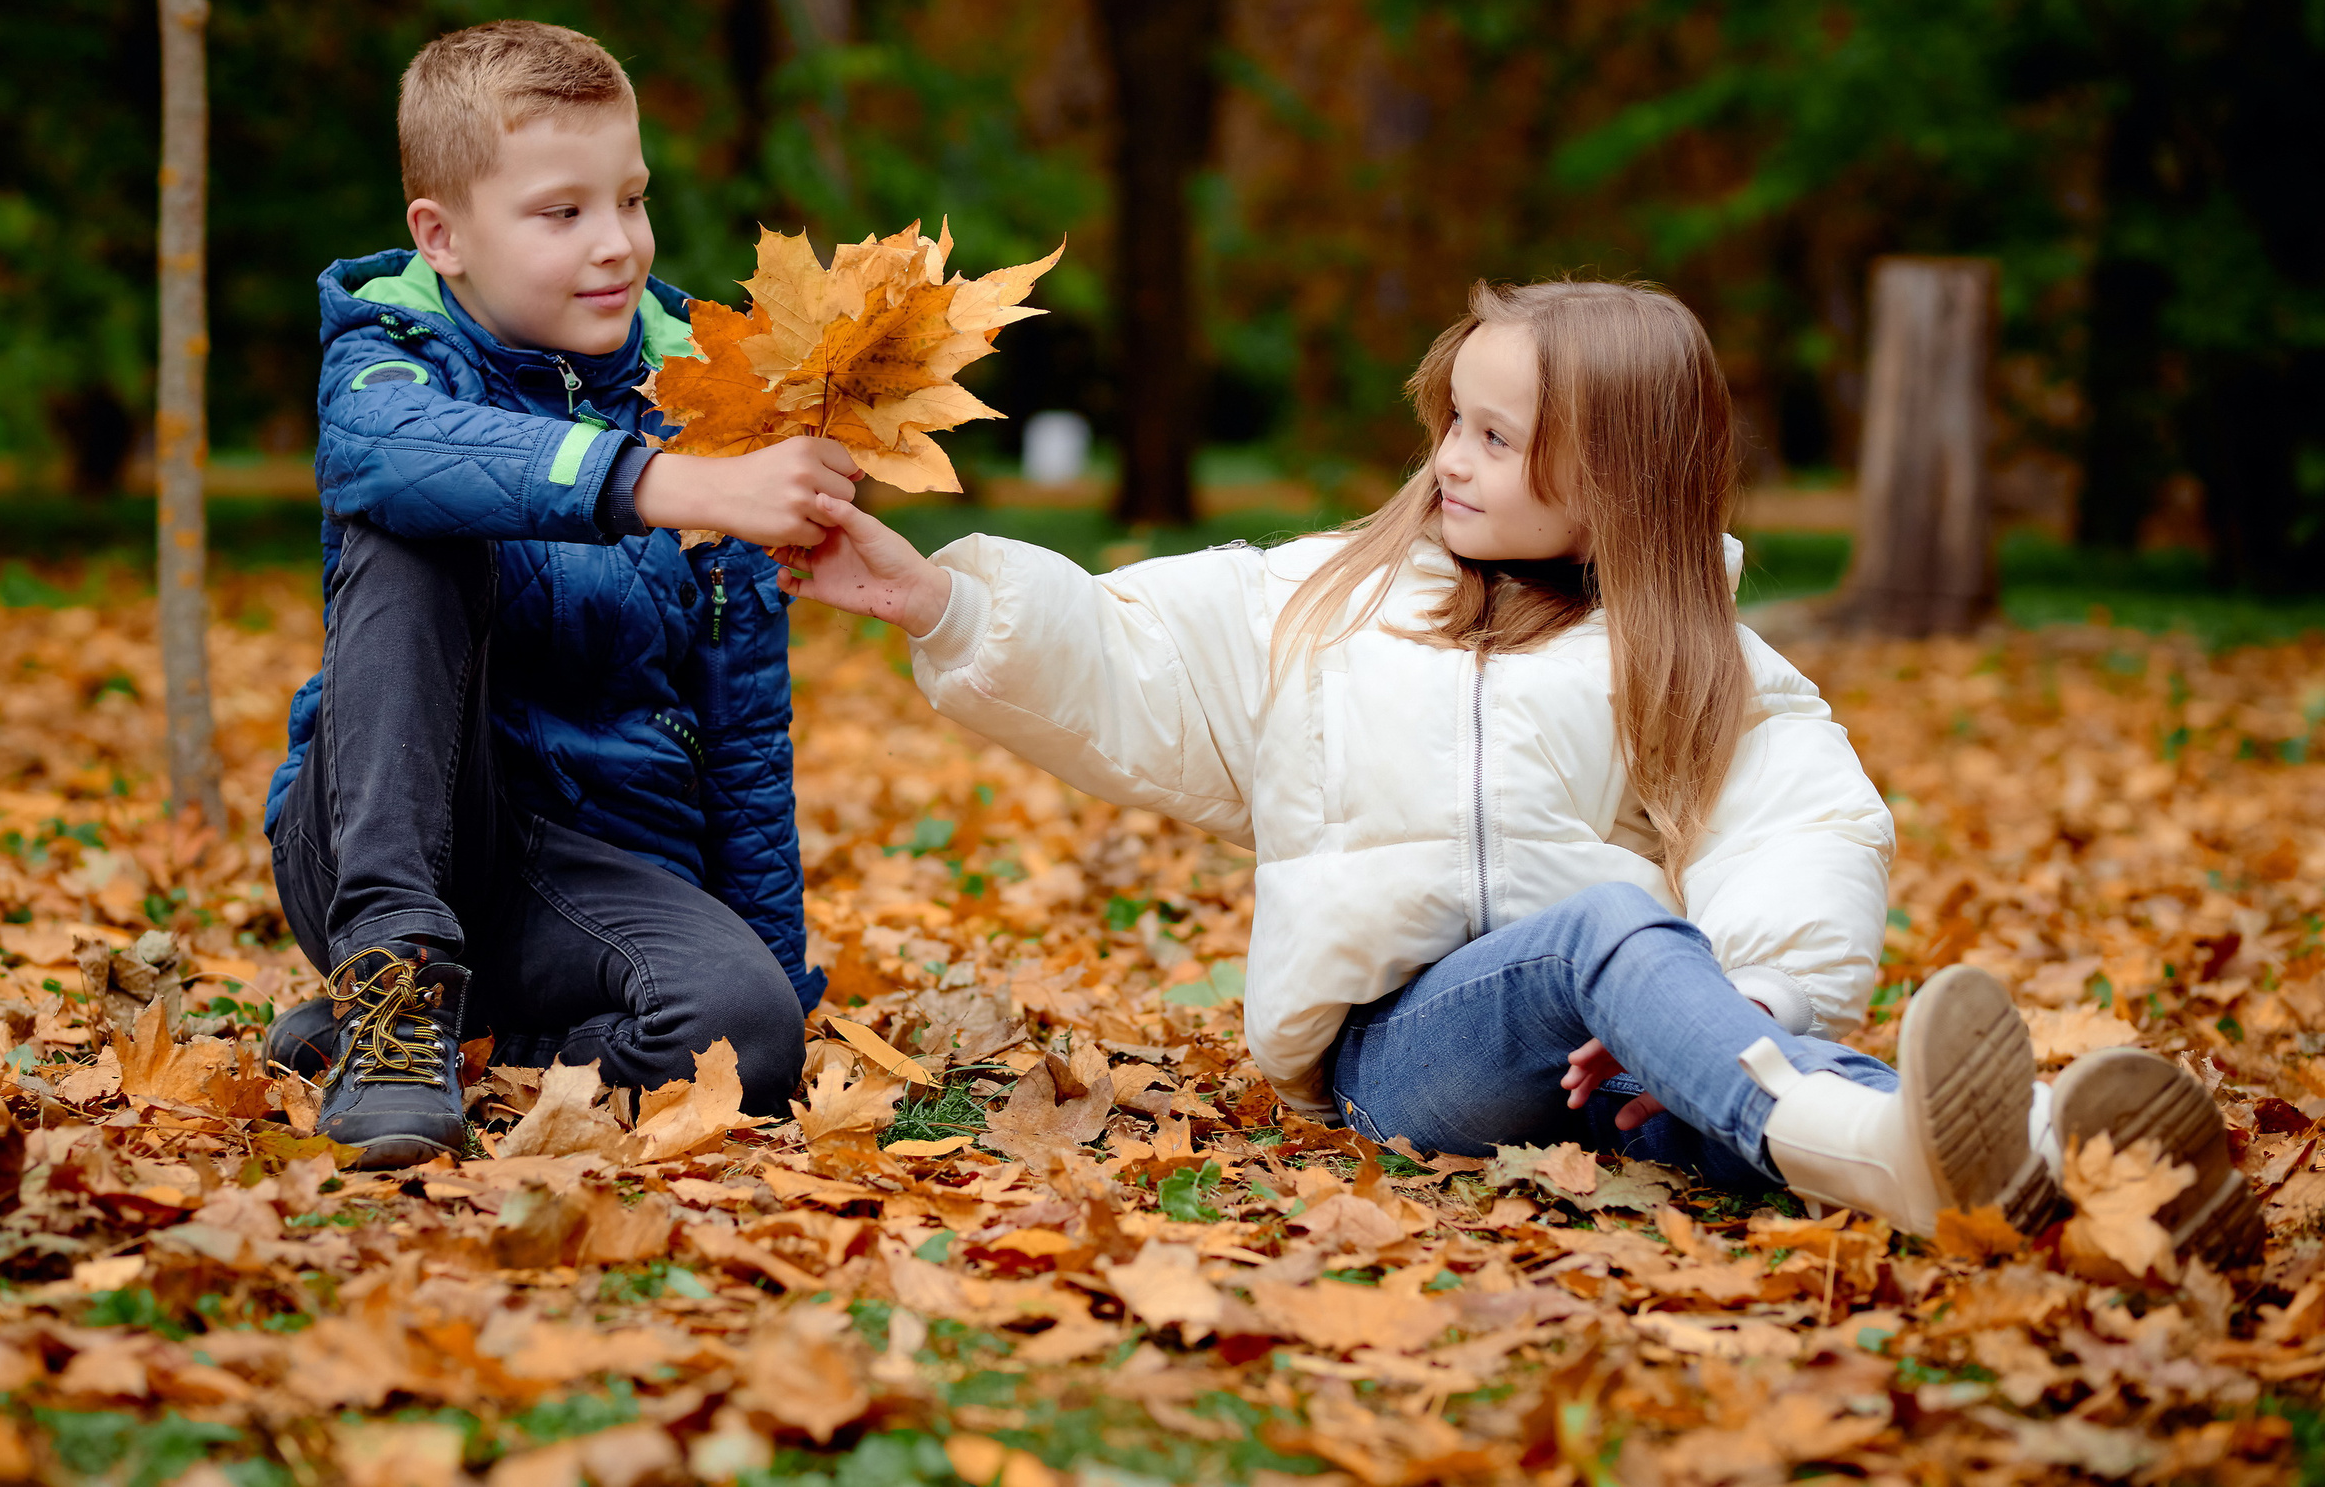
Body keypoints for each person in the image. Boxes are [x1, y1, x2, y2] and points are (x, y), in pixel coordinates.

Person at [781, 279, 2257, 1258]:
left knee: (1702, 1022)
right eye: (1452, 423)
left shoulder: (1692, 653)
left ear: (1613, 476)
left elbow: (1806, 823)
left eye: (1497, 435)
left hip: (1617, 1068)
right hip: (1412, 1061)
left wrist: (1747, 1000)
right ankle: (1931, 1135)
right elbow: (1128, 658)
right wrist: (941, 600)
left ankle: (2052, 1172)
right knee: (1616, 934)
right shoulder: (1329, 601)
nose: (1452, 460)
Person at [260, 20, 861, 1168]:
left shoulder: (708, 394)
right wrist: (658, 481)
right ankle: (392, 997)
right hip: (379, 837)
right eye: (562, 212)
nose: (617, 246)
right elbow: (383, 448)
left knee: (742, 1038)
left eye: (630, 200)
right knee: (419, 514)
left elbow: (742, 730)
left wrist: (774, 980)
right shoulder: (392, 352)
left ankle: (453, 1034)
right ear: (442, 237)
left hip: (587, 878)